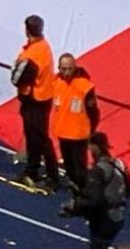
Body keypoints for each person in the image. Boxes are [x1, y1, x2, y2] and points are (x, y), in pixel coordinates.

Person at [62, 131, 130, 249]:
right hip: (117, 216)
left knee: (98, 245)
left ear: (95, 147)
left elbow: (93, 200)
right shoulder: (119, 164)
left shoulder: (98, 170)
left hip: (103, 219)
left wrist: (74, 206)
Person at [11, 15, 59, 190]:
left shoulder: (31, 55)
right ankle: (34, 169)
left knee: (38, 137)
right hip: (44, 97)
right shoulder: (43, 47)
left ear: (26, 30)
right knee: (37, 137)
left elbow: (17, 79)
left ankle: (48, 174)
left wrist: (16, 66)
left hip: (34, 100)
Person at [52, 53, 99, 190]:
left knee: (79, 164)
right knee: (68, 162)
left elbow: (94, 112)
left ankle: (82, 187)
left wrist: (92, 130)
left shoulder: (85, 86)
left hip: (79, 134)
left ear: (75, 68)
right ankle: (73, 181)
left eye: (69, 69)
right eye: (64, 69)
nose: (66, 72)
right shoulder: (56, 82)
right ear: (59, 68)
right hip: (62, 131)